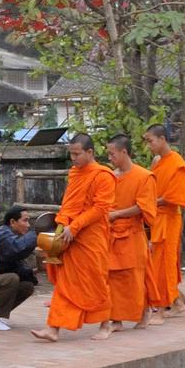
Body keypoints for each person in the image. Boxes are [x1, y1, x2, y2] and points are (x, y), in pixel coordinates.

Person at [32, 133, 114, 342]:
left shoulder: (103, 175)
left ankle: (106, 324)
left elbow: (100, 209)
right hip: (70, 235)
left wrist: (75, 226)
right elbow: (69, 204)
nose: (74, 158)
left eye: (77, 154)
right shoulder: (74, 174)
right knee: (66, 283)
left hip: (91, 237)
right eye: (71, 154)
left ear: (89, 152)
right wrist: (64, 223)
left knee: (95, 281)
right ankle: (53, 328)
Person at [100, 135, 155, 333]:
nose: (109, 157)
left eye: (112, 153)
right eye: (108, 153)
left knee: (136, 277)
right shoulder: (110, 177)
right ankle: (116, 320)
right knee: (113, 278)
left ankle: (144, 311)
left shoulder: (143, 176)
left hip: (132, 233)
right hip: (112, 235)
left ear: (124, 152)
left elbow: (144, 206)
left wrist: (116, 215)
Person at [143, 125, 185, 317]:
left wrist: (148, 202)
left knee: (164, 264)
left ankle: (162, 309)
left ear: (162, 139)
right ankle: (177, 303)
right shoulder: (159, 162)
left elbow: (174, 197)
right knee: (160, 263)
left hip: (169, 219)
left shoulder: (177, 164)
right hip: (157, 218)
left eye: (150, 141)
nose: (148, 146)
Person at [0, 205, 38, 328]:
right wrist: (38, 233)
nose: (28, 225)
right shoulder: (2, 234)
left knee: (27, 286)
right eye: (25, 220)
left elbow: (17, 270)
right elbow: (17, 248)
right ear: (12, 222)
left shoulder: (12, 235)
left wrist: (37, 270)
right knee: (11, 279)